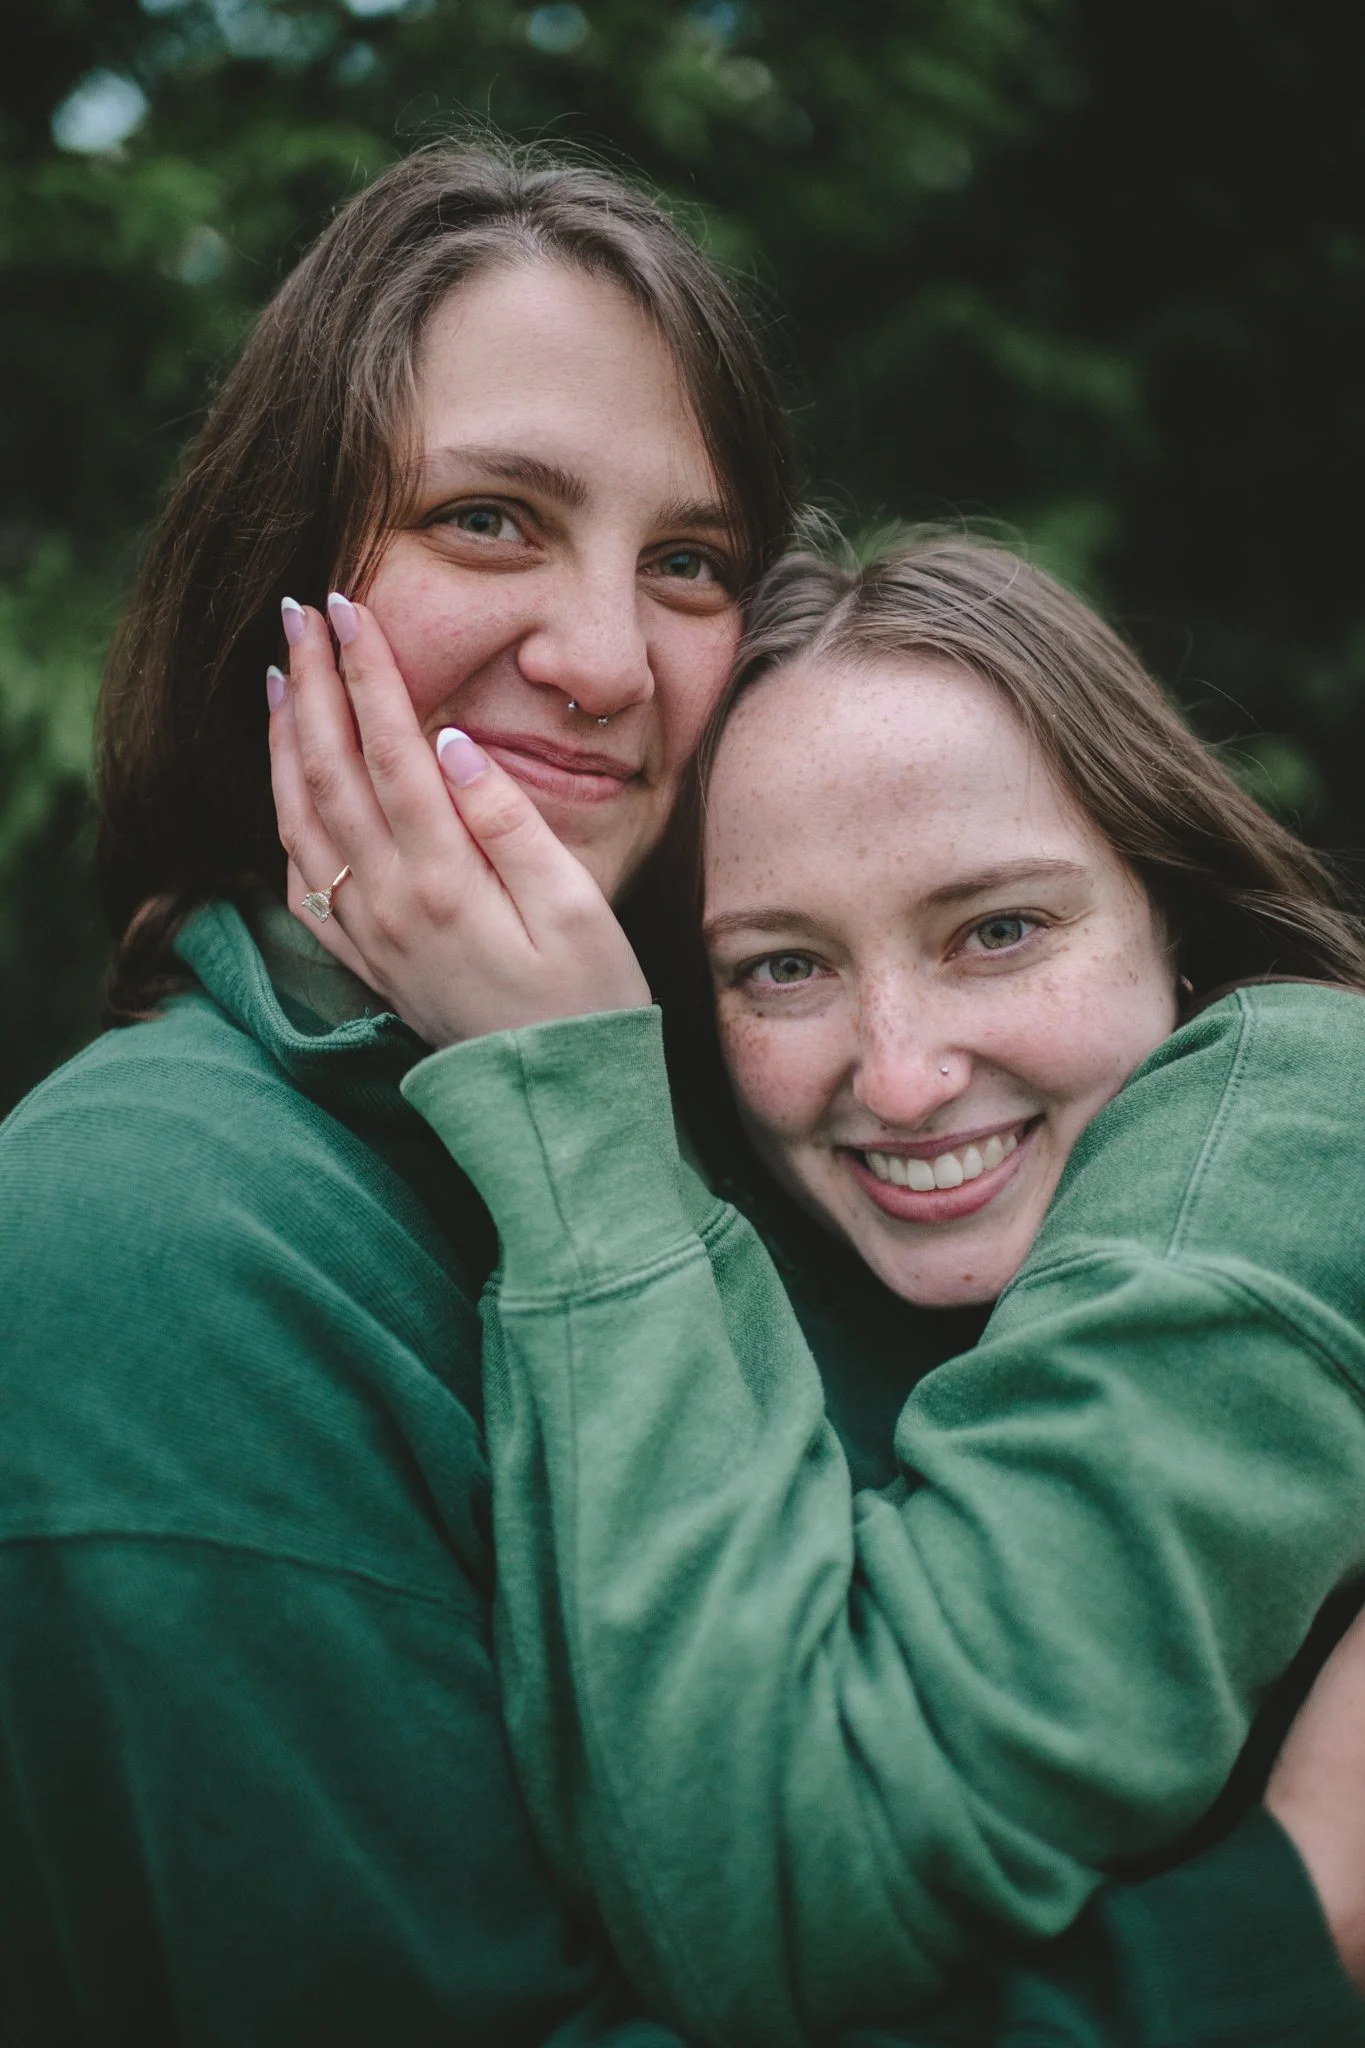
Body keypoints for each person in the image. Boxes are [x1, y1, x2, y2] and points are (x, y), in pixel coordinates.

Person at [0, 132, 1358, 2046]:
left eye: (693, 562)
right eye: (488, 518)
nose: (607, 657)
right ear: (275, 580)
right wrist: (1295, 1922)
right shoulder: (138, 1255)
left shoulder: (794, 1125)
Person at [268, 533, 1365, 2045]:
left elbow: (799, 1887)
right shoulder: (819, 1261)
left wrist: (569, 1121)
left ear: (1170, 910)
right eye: (783, 969)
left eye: (999, 931)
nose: (902, 1078)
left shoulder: (1302, 1116)